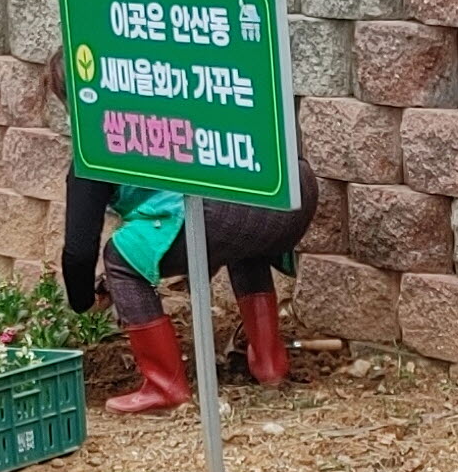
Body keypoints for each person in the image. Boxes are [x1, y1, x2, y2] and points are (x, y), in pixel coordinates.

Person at [60, 169, 315, 413]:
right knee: (241, 241)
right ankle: (270, 366)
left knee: (121, 257)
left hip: (222, 211)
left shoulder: (95, 153)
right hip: (292, 191)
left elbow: (78, 253)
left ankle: (165, 389)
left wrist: (84, 300)